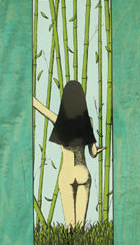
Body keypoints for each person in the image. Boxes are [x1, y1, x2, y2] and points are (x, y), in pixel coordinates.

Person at [33, 81, 104, 228]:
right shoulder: (88, 121)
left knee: (70, 227)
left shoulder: (58, 120)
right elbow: (93, 153)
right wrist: (97, 150)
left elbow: (37, 105)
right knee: (80, 227)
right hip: (83, 173)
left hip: (67, 174)